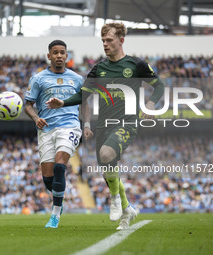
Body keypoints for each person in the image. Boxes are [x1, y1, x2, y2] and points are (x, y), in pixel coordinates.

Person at [46, 22, 165, 230]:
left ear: (121, 41)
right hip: (103, 126)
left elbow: (159, 86)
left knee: (108, 154)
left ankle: (115, 200)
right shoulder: (99, 69)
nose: (105, 44)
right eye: (103, 41)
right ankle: (127, 211)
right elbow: (83, 95)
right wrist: (63, 103)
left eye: (109, 40)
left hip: (127, 123)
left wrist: (151, 103)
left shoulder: (136, 65)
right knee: (108, 171)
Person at [24, 40, 83, 228]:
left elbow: (85, 102)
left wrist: (87, 124)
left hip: (69, 126)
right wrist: (35, 118)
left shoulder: (77, 79)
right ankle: (59, 199)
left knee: (60, 167)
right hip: (46, 129)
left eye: (62, 52)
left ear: (67, 56)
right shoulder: (38, 79)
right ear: (49, 56)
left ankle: (55, 215)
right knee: (49, 180)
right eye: (55, 53)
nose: (59, 56)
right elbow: (28, 105)